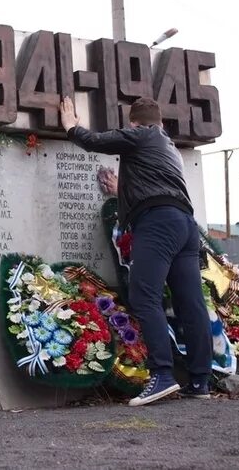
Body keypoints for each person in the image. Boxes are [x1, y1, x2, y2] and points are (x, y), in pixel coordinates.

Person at [60, 96, 212, 406]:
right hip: (185, 225)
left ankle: (162, 375)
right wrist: (122, 190)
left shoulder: (143, 135)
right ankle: (200, 380)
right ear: (162, 121)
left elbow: (97, 141)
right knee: (190, 303)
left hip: (157, 224)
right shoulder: (168, 147)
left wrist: (72, 127)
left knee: (145, 296)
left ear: (134, 123)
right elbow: (152, 183)